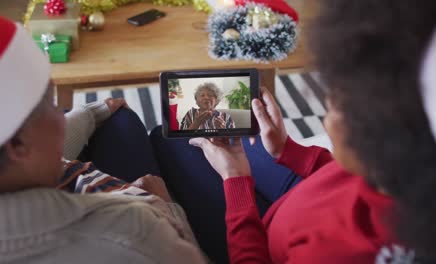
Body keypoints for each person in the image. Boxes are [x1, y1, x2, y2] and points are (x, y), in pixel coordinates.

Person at [182, 0, 436, 262]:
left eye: (339, 102)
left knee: (173, 142)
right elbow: (341, 174)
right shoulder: (395, 172)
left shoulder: (333, 253)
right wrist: (288, 150)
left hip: (258, 238)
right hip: (298, 199)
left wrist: (235, 179)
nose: (328, 104)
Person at [0, 3, 206, 263]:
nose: (62, 114)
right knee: (163, 137)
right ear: (16, 143)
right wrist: (164, 207)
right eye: (52, 102)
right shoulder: (134, 234)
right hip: (150, 215)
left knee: (120, 118)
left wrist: (90, 114)